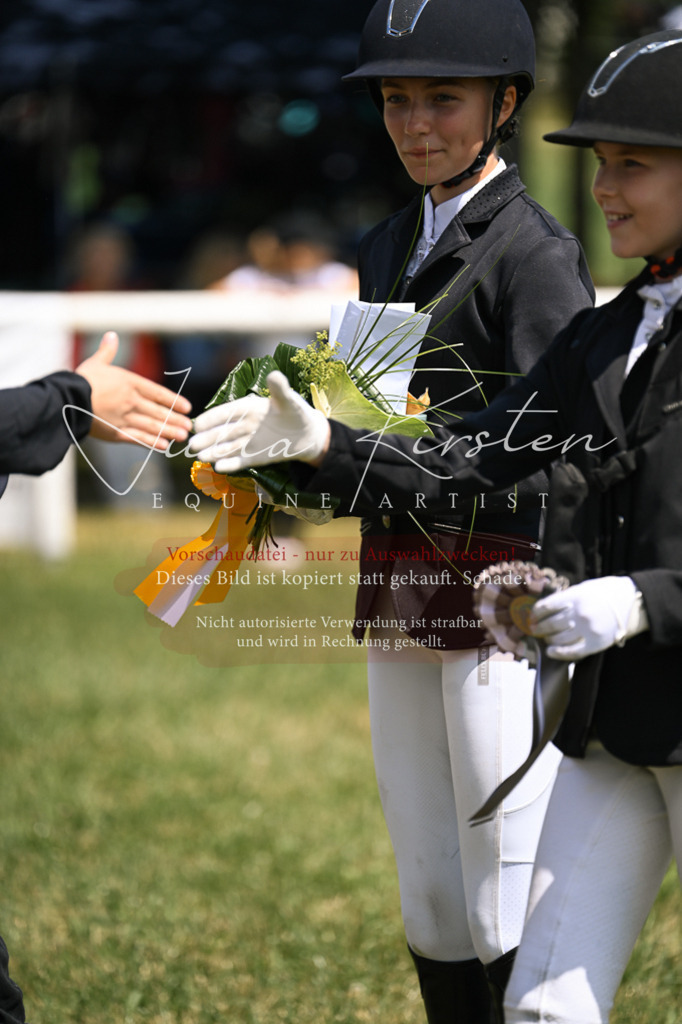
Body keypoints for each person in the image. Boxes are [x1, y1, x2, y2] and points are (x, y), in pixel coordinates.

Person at [189, 28, 682, 1024]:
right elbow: (406, 434)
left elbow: (559, 462)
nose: (414, 125)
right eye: (395, 101)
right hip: (409, 576)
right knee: (432, 899)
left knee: (500, 896)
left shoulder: (533, 252)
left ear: (501, 104)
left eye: (440, 100)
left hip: (508, 595)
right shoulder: (386, 243)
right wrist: (306, 455)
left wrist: (604, 590)